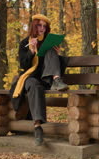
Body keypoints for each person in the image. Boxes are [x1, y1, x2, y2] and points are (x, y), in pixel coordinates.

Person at [10, 14, 68, 146]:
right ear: (34, 26)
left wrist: (57, 55)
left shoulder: (49, 42)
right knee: (34, 85)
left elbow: (57, 65)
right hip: (30, 78)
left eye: (44, 26)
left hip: (47, 79)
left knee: (50, 52)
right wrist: (31, 51)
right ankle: (37, 127)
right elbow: (24, 66)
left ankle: (57, 80)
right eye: (39, 25)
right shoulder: (25, 43)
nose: (42, 28)